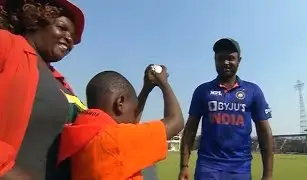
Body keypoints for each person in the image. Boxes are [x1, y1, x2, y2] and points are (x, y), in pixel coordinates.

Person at [0, 0, 153, 179]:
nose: (69, 39)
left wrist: (147, 89)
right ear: (36, 21)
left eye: (72, 37)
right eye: (62, 28)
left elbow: (117, 123)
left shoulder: (60, 82)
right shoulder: (8, 45)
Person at [57, 65, 184, 180]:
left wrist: (146, 89)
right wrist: (164, 83)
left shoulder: (82, 130)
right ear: (120, 103)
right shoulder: (114, 140)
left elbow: (131, 122)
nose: (134, 116)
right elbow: (176, 121)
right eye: (134, 108)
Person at [179, 38, 274, 180]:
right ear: (214, 60)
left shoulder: (253, 91)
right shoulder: (202, 91)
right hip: (208, 166)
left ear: (239, 60)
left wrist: (268, 174)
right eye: (220, 58)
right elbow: (190, 130)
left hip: (240, 168)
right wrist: (184, 166)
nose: (226, 63)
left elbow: (264, 132)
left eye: (231, 58)